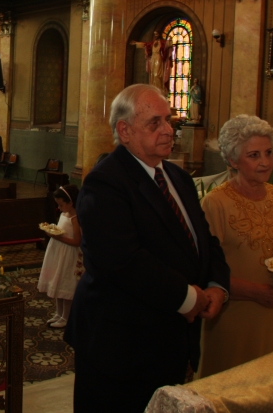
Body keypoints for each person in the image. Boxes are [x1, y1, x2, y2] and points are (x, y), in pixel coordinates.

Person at [65, 84, 230, 413]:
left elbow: (204, 241)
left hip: (169, 338)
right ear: (124, 131)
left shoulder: (178, 178)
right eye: (155, 123)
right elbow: (120, 262)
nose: (169, 130)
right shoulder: (105, 182)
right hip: (121, 345)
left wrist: (217, 285)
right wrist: (188, 297)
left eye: (168, 121)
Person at [197, 115, 273, 378]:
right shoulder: (216, 203)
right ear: (233, 160)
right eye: (254, 155)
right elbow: (204, 268)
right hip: (236, 316)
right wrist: (256, 292)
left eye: (268, 153)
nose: (265, 162)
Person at [38, 185, 83, 329]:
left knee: (65, 284)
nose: (59, 208)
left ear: (70, 202)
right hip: (58, 252)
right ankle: (59, 313)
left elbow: (77, 241)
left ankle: (66, 317)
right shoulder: (64, 214)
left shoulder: (75, 217)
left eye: (61, 204)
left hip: (69, 255)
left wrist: (57, 238)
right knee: (57, 280)